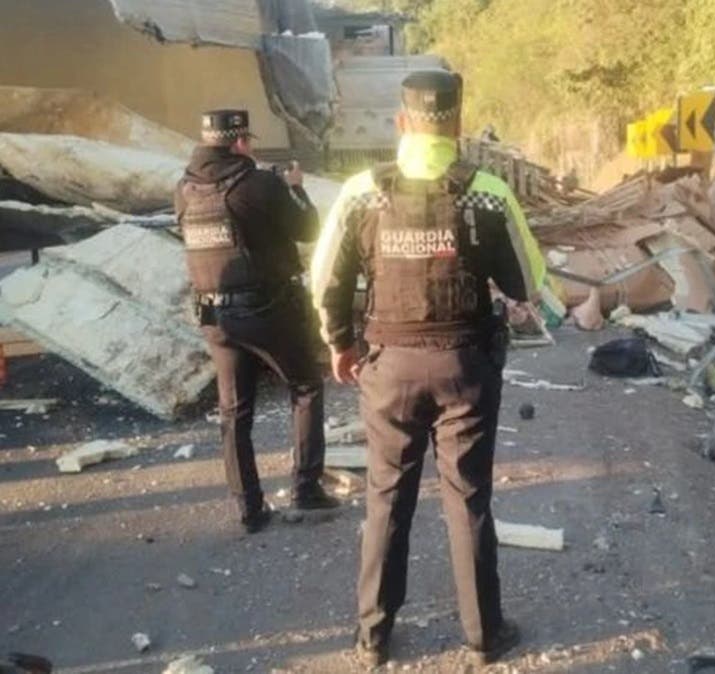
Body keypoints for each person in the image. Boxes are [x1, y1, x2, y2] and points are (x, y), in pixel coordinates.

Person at [311, 70, 542, 668]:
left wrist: (338, 342)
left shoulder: (362, 190)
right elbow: (527, 280)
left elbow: (328, 278)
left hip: (388, 369)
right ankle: (484, 635)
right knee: (468, 500)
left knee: (385, 500)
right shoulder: (487, 191)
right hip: (465, 366)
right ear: (458, 124)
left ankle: (373, 637)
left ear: (401, 122)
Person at [175, 109, 338, 534]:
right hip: (267, 309)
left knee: (234, 411)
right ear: (240, 143)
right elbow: (308, 229)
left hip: (214, 314)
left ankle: (249, 508)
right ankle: (305, 488)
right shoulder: (260, 184)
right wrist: (297, 189)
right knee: (304, 386)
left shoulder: (184, 189)